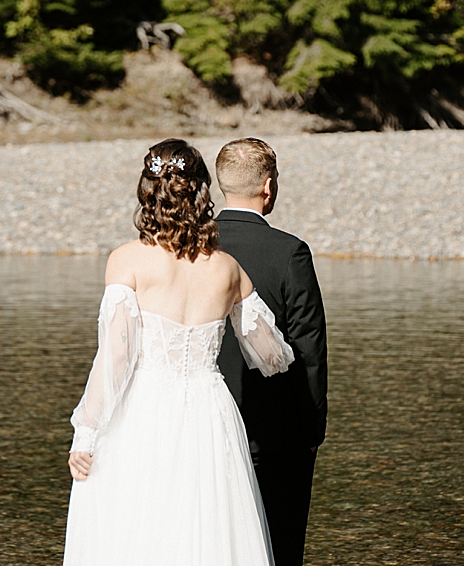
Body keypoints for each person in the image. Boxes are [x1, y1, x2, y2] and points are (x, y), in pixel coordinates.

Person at [63, 138, 295, 566]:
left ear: (147, 192)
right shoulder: (227, 269)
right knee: (207, 531)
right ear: (202, 194)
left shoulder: (127, 261)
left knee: (138, 528)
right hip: (209, 411)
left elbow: (115, 357)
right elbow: (271, 356)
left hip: (142, 410)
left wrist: (87, 431)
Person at [215, 138, 328, 566]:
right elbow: (309, 348)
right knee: (278, 547)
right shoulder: (288, 251)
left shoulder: (186, 248)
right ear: (268, 185)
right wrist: (312, 428)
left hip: (200, 423)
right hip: (275, 430)